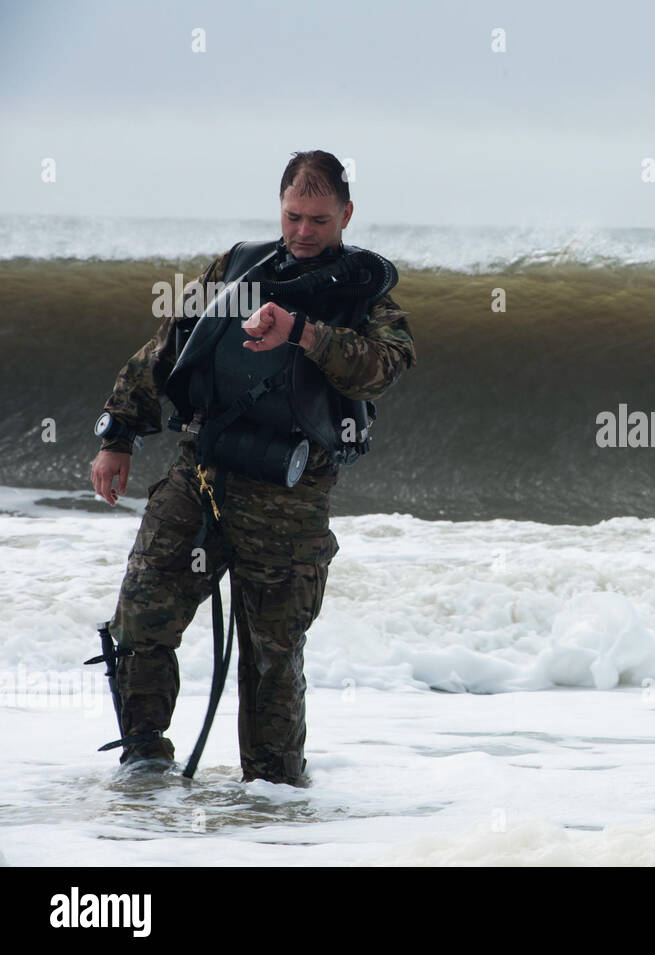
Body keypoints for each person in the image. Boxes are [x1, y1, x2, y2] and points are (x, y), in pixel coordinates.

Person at [89, 150, 416, 785]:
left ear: (346, 214)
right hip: (203, 473)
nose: (303, 231)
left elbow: (385, 365)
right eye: (294, 215)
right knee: (142, 614)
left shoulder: (364, 291)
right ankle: (145, 758)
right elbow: (170, 343)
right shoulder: (239, 266)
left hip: (288, 494)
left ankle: (274, 805)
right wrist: (120, 431)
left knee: (272, 657)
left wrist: (304, 333)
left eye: (319, 219)